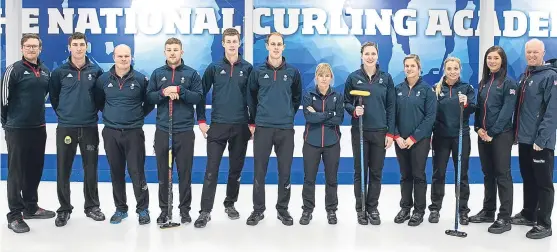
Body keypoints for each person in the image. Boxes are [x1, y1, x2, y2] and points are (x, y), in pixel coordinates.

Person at [194, 28, 253, 228]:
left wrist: (252, 123)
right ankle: (205, 211)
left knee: (235, 170)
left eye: (234, 41)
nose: (231, 44)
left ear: (239, 43)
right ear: (223, 43)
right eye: (228, 41)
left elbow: (254, 98)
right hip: (217, 126)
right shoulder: (213, 67)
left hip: (240, 126)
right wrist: (201, 121)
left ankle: (230, 204)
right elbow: (200, 94)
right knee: (211, 170)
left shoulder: (248, 68)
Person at [49, 32, 105, 227]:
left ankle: (92, 206)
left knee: (91, 168)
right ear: (69, 47)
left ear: (86, 47)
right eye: (75, 44)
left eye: (82, 44)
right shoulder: (59, 72)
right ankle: (64, 209)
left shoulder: (96, 71)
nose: (79, 48)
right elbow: (54, 98)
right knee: (63, 169)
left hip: (89, 126)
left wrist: (90, 113)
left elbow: (100, 98)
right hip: (66, 127)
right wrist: (66, 114)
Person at [93, 44, 154, 225]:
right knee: (116, 172)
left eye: (127, 56)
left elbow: (149, 103)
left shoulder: (141, 79)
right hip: (111, 133)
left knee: (137, 172)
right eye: (120, 56)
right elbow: (99, 101)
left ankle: (143, 209)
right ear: (114, 57)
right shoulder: (103, 79)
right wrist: (112, 116)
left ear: (131, 57)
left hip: (134, 132)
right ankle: (121, 209)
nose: (123, 59)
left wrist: (136, 116)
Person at [1, 33, 56, 233]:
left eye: (35, 46)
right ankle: (14, 215)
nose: (32, 49)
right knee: (16, 172)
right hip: (17, 129)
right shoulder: (13, 70)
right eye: (28, 46)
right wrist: (7, 123)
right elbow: (3, 99)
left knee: (34, 169)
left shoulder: (46, 71)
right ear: (22, 48)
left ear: (40, 49)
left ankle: (31, 207)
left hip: (38, 128)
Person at [246, 32, 302, 226]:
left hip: (285, 129)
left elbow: (296, 99)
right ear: (267, 46)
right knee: (259, 171)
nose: (276, 47)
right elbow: (251, 98)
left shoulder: (293, 73)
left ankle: (283, 209)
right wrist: (254, 120)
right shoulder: (257, 71)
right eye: (273, 44)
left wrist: (286, 115)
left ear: (283, 47)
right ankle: (258, 210)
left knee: (284, 171)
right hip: (263, 127)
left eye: (279, 44)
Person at [146, 37, 203, 225]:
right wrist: (164, 93)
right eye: (169, 49)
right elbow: (149, 97)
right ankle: (165, 210)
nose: (172, 52)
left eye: (175, 49)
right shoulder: (157, 74)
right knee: (164, 174)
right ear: (164, 52)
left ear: (182, 52)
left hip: (185, 131)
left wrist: (180, 90)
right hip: (163, 131)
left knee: (185, 173)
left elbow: (198, 98)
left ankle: (185, 211)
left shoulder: (192, 74)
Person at [343, 42, 395, 225]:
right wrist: (353, 110)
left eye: (373, 53)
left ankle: (372, 207)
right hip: (360, 131)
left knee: (376, 172)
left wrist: (390, 133)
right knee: (360, 171)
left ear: (377, 56)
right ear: (361, 55)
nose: (370, 57)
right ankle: (361, 208)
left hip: (380, 131)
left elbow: (391, 106)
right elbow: (346, 102)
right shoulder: (353, 77)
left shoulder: (386, 78)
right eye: (367, 53)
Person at [468, 45, 516, 234]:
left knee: (502, 175)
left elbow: (506, 112)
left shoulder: (509, 84)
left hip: (501, 135)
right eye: (489, 58)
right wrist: (478, 128)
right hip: (484, 135)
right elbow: (479, 109)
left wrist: (492, 132)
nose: (492, 61)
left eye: (496, 58)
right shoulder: (483, 83)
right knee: (488, 174)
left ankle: (504, 217)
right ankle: (488, 211)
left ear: (502, 60)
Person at [512, 39, 557, 239]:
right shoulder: (526, 76)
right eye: (528, 52)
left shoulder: (550, 77)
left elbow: (552, 111)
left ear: (543, 53)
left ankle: (544, 224)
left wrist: (542, 138)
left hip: (540, 142)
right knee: (528, 178)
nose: (531, 55)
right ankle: (529, 214)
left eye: (535, 52)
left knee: (543, 182)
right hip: (524, 139)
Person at [428, 57, 476, 225]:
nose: (452, 71)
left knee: (461, 175)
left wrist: (467, 103)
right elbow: (431, 114)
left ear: (460, 69)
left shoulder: (466, 88)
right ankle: (435, 208)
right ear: (444, 69)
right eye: (449, 68)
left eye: (455, 68)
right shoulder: (435, 89)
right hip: (441, 137)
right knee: (438, 174)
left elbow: (472, 109)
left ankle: (463, 210)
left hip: (461, 136)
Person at [393, 54, 436, 226]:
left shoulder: (427, 90)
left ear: (419, 68)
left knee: (418, 175)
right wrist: (396, 136)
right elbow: (392, 116)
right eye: (407, 65)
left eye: (413, 65)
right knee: (405, 175)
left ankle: (419, 211)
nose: (409, 68)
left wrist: (413, 137)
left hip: (420, 141)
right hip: (400, 141)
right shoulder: (397, 89)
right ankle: (405, 207)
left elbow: (430, 117)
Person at [299, 63, 344, 225]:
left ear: (331, 77)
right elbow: (309, 118)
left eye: (327, 75)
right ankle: (307, 210)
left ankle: (331, 210)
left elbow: (339, 118)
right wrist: (328, 114)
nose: (324, 79)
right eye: (321, 75)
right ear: (316, 77)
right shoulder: (308, 95)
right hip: (311, 142)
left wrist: (319, 114)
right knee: (309, 178)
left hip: (332, 143)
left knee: (331, 179)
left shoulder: (337, 96)